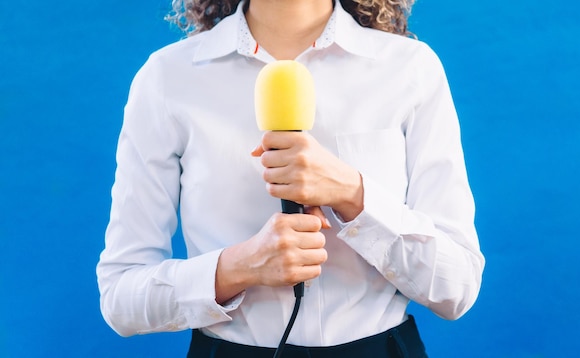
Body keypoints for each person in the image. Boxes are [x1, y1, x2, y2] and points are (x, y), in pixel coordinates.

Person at [96, 0, 485, 356]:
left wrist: (353, 195)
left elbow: (457, 288)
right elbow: (121, 298)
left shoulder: (410, 69)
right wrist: (237, 268)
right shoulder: (168, 78)